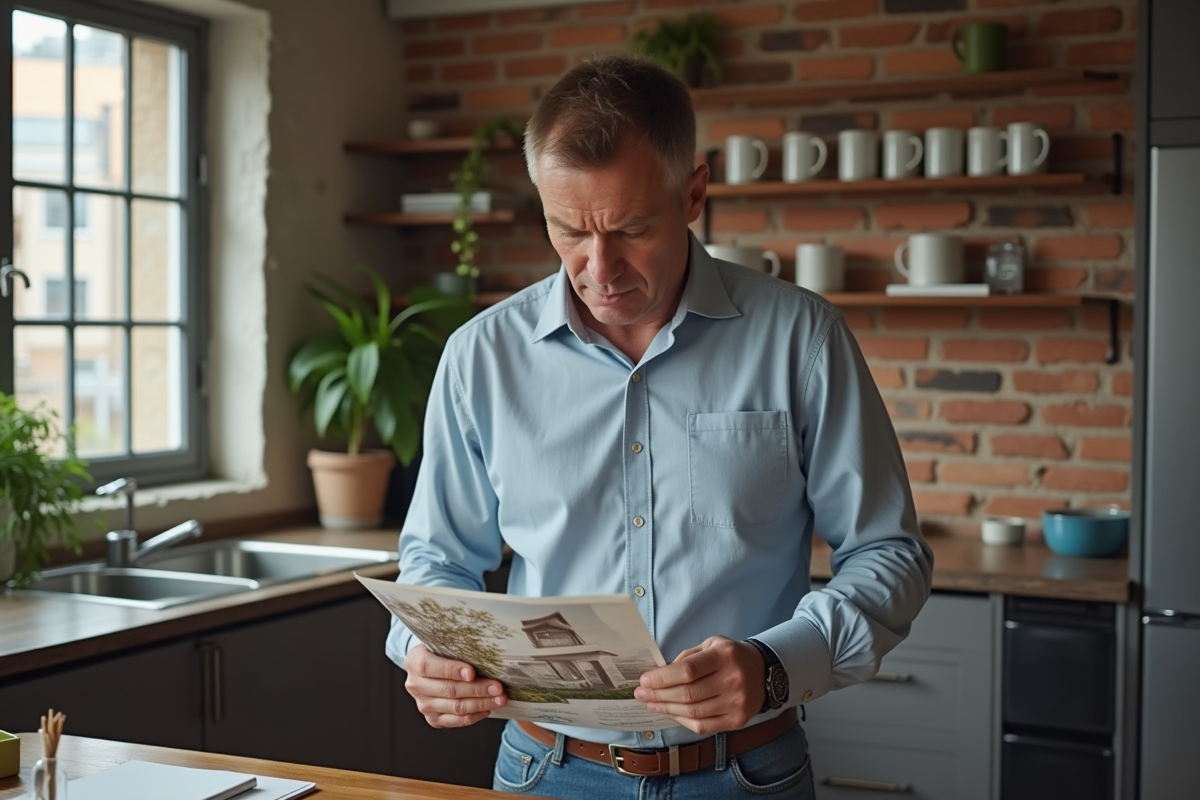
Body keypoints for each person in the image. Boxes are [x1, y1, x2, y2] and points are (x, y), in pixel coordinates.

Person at [386, 54, 933, 799]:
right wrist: (427, 652)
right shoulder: (479, 358)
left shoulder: (801, 339)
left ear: (694, 192)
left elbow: (887, 551)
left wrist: (777, 665)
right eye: (569, 229)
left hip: (747, 772)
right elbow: (437, 563)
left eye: (631, 229)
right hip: (545, 770)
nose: (599, 267)